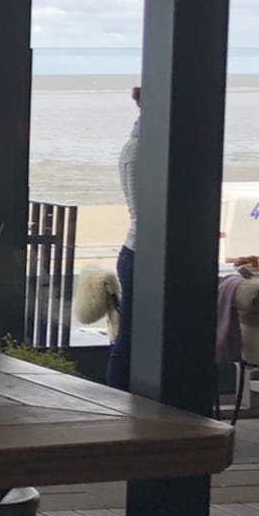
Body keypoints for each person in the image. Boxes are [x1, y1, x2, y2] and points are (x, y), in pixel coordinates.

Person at [108, 85, 141, 391]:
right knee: (130, 337)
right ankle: (117, 400)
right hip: (140, 253)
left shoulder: (149, 146)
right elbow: (142, 213)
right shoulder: (137, 150)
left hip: (142, 253)